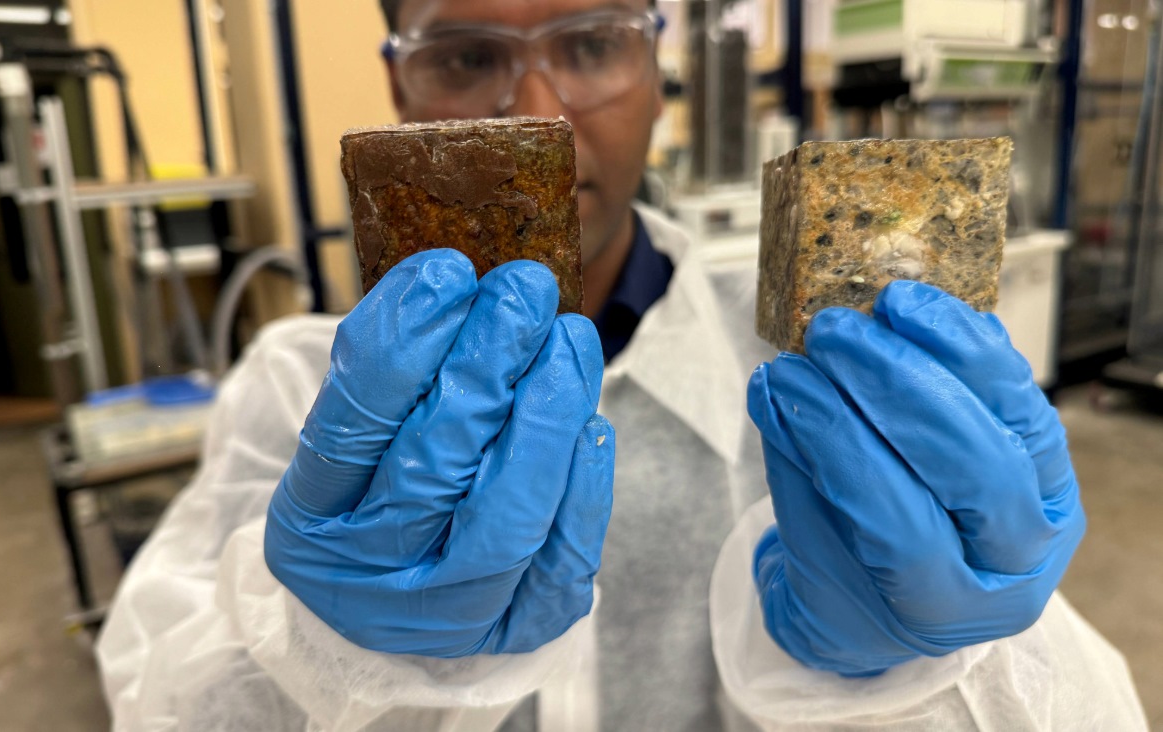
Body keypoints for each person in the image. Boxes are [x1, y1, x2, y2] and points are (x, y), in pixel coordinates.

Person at [96, 1, 1148, 729]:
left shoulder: (809, 367)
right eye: (464, 55)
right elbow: (156, 697)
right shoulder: (296, 389)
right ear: (398, 87)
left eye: (591, 42)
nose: (534, 107)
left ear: (655, 77)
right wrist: (324, 650)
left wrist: (926, 663)